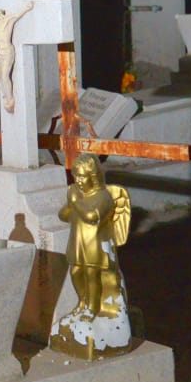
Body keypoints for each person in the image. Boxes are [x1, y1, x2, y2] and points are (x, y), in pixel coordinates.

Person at [50, 153, 134, 360]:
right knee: (76, 272)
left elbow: (91, 216)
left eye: (82, 176)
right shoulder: (76, 193)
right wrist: (70, 204)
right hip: (78, 242)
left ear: (93, 176)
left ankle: (93, 307)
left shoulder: (103, 196)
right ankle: (82, 302)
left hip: (96, 245)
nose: (78, 180)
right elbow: (63, 215)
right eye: (75, 175)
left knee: (91, 275)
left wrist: (75, 201)